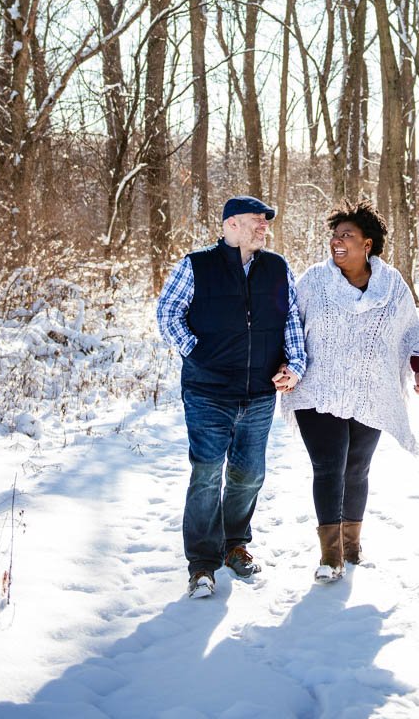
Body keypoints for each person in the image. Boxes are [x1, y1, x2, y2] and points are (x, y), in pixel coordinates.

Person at [157, 195, 305, 599]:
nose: (264, 228)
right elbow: (168, 312)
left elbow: (291, 317)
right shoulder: (196, 265)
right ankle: (202, 564)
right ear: (231, 225)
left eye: (266, 222)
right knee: (206, 474)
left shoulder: (276, 267)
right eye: (257, 221)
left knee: (249, 475)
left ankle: (233, 545)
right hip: (208, 392)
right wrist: (195, 350)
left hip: (259, 393)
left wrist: (296, 364)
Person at [282, 199, 419, 582]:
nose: (337, 241)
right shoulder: (315, 280)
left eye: (347, 235)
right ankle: (331, 556)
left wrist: (418, 365)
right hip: (317, 390)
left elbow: (410, 329)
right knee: (329, 466)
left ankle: (351, 544)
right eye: (334, 235)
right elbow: (288, 324)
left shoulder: (391, 283)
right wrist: (284, 364)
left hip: (371, 389)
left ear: (368, 244)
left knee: (357, 469)